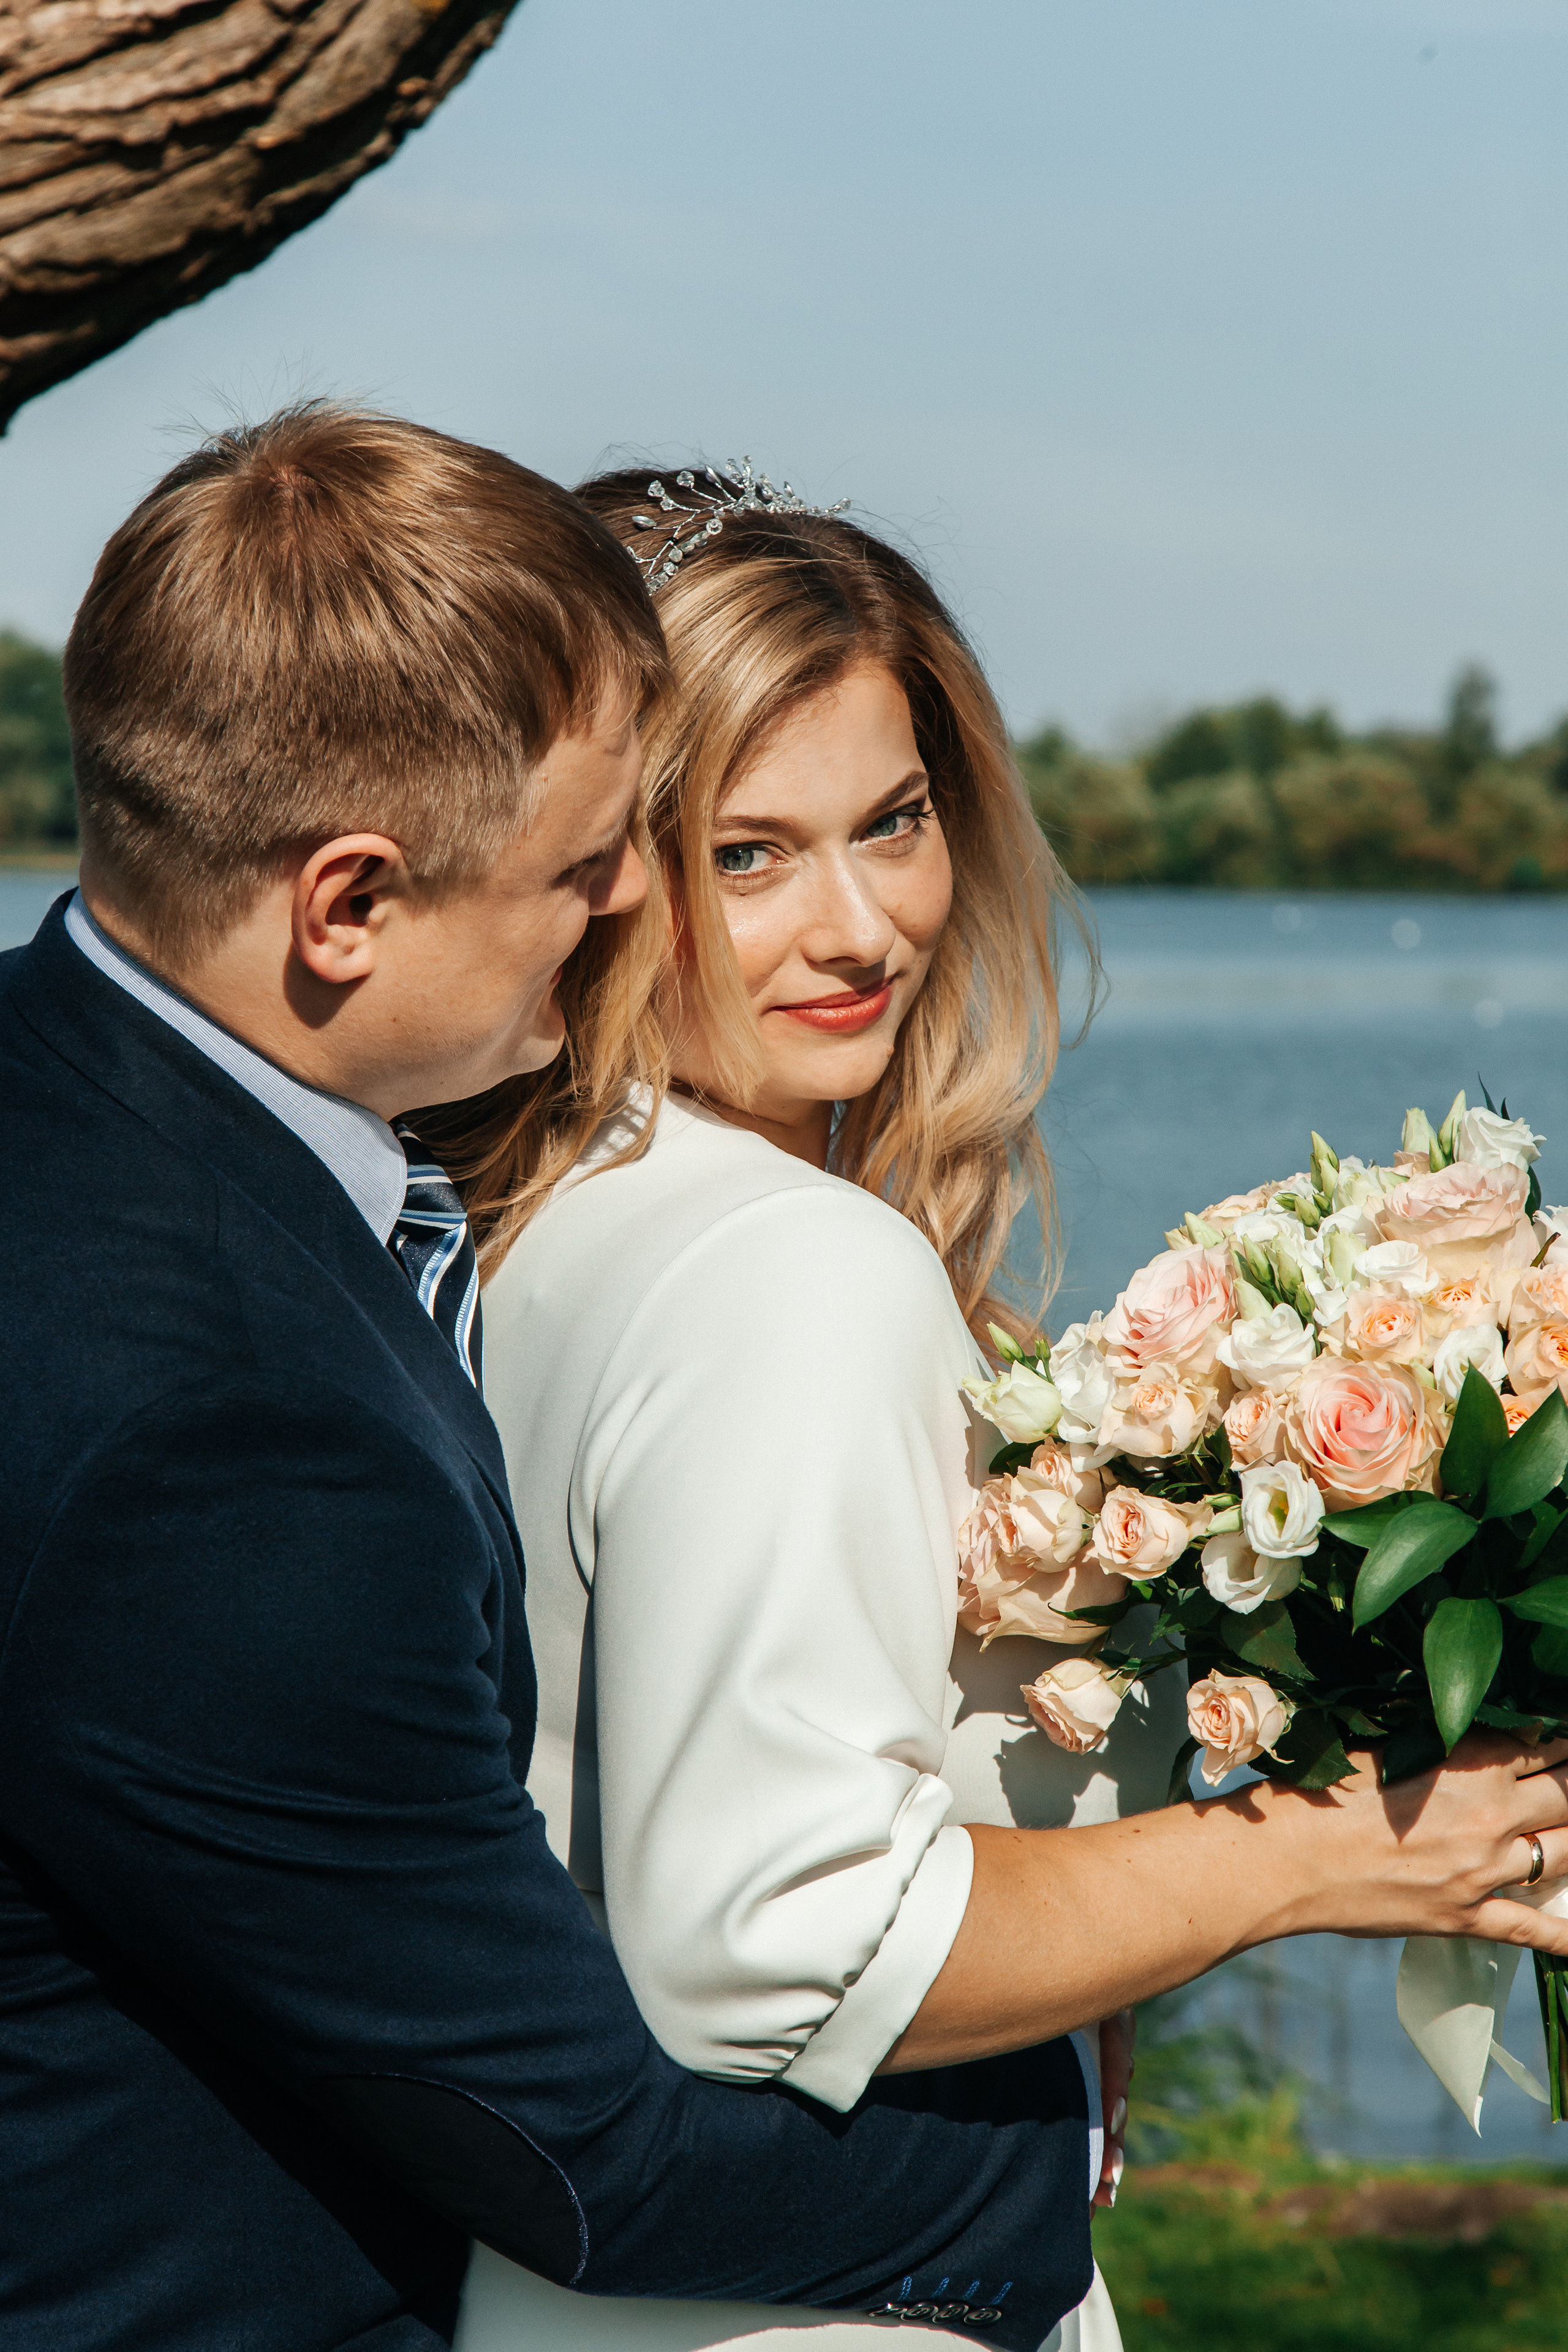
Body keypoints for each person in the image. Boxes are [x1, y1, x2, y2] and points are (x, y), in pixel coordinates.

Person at [0, 405, 1114, 2352]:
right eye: (629, 858)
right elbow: (594, 2131)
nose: (620, 911)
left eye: (896, 817)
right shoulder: (232, 1410)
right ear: (346, 903)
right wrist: (1058, 2152)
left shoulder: (207, 1144)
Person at [429, 457, 1568, 2351]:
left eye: (896, 820)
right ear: (605, 867)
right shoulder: (787, 1270)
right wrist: (1325, 1852)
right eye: (750, 851)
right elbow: (776, 1952)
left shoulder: (525, 1222)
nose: (865, 925)